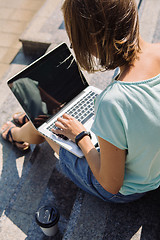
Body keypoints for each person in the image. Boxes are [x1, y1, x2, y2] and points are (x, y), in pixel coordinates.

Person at [1, 0, 160, 203]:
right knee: (53, 118)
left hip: (129, 189)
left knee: (49, 126)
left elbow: (111, 184)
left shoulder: (112, 102)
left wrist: (81, 137)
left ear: (90, 41)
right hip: (151, 166)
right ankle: (36, 118)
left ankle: (17, 134)